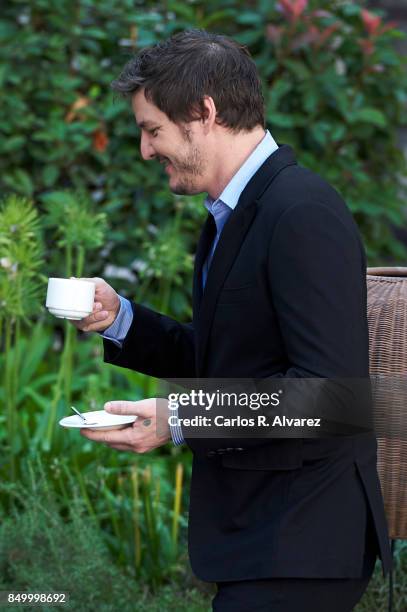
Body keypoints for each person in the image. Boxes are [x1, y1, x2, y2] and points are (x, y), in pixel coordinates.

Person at [73, 29, 392, 611]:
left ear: (203, 113)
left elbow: (330, 397)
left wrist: (181, 417)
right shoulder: (233, 213)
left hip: (302, 541)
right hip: (267, 540)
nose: (146, 150)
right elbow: (232, 360)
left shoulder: (301, 211)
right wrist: (121, 320)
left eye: (152, 130)